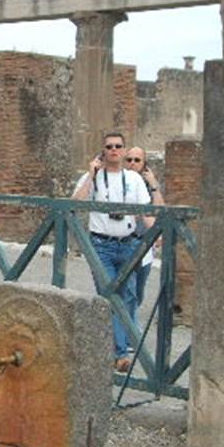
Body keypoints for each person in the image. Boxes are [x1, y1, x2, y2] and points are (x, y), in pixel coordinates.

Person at [71, 133, 152, 373]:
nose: (114, 150)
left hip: (128, 243)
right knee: (110, 296)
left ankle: (119, 349)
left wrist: (159, 234)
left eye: (118, 146)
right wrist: (92, 175)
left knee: (128, 296)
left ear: (125, 150)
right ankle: (121, 353)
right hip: (101, 245)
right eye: (109, 147)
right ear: (103, 151)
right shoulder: (92, 177)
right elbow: (75, 203)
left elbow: (145, 212)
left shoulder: (134, 180)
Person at [125, 146, 165, 308]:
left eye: (137, 160)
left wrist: (154, 184)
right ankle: (126, 328)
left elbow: (160, 211)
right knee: (127, 291)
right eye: (129, 160)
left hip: (145, 244)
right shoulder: (121, 181)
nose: (132, 163)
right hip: (124, 242)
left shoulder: (150, 186)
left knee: (138, 291)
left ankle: (128, 324)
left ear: (144, 164)